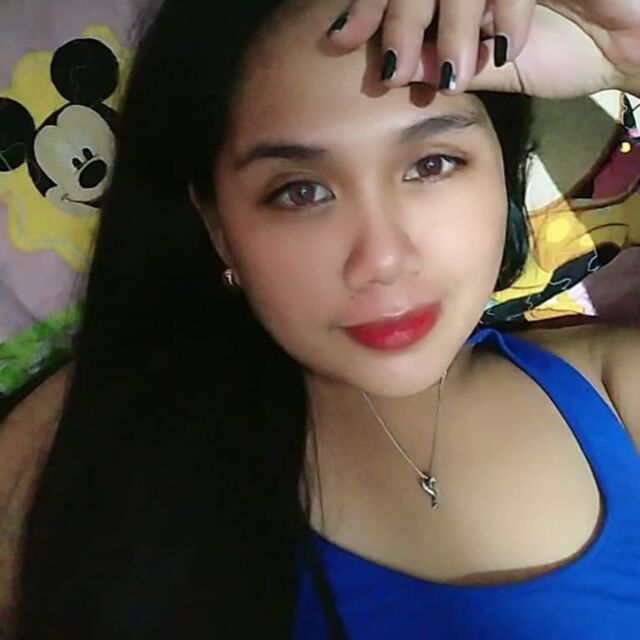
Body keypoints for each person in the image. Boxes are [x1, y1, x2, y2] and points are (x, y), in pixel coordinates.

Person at [11, 0, 640, 637]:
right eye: (301, 192)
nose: (382, 261)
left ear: (503, 170)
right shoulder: (91, 428)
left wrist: (628, 59)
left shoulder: (618, 392)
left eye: (431, 164)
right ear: (218, 226)